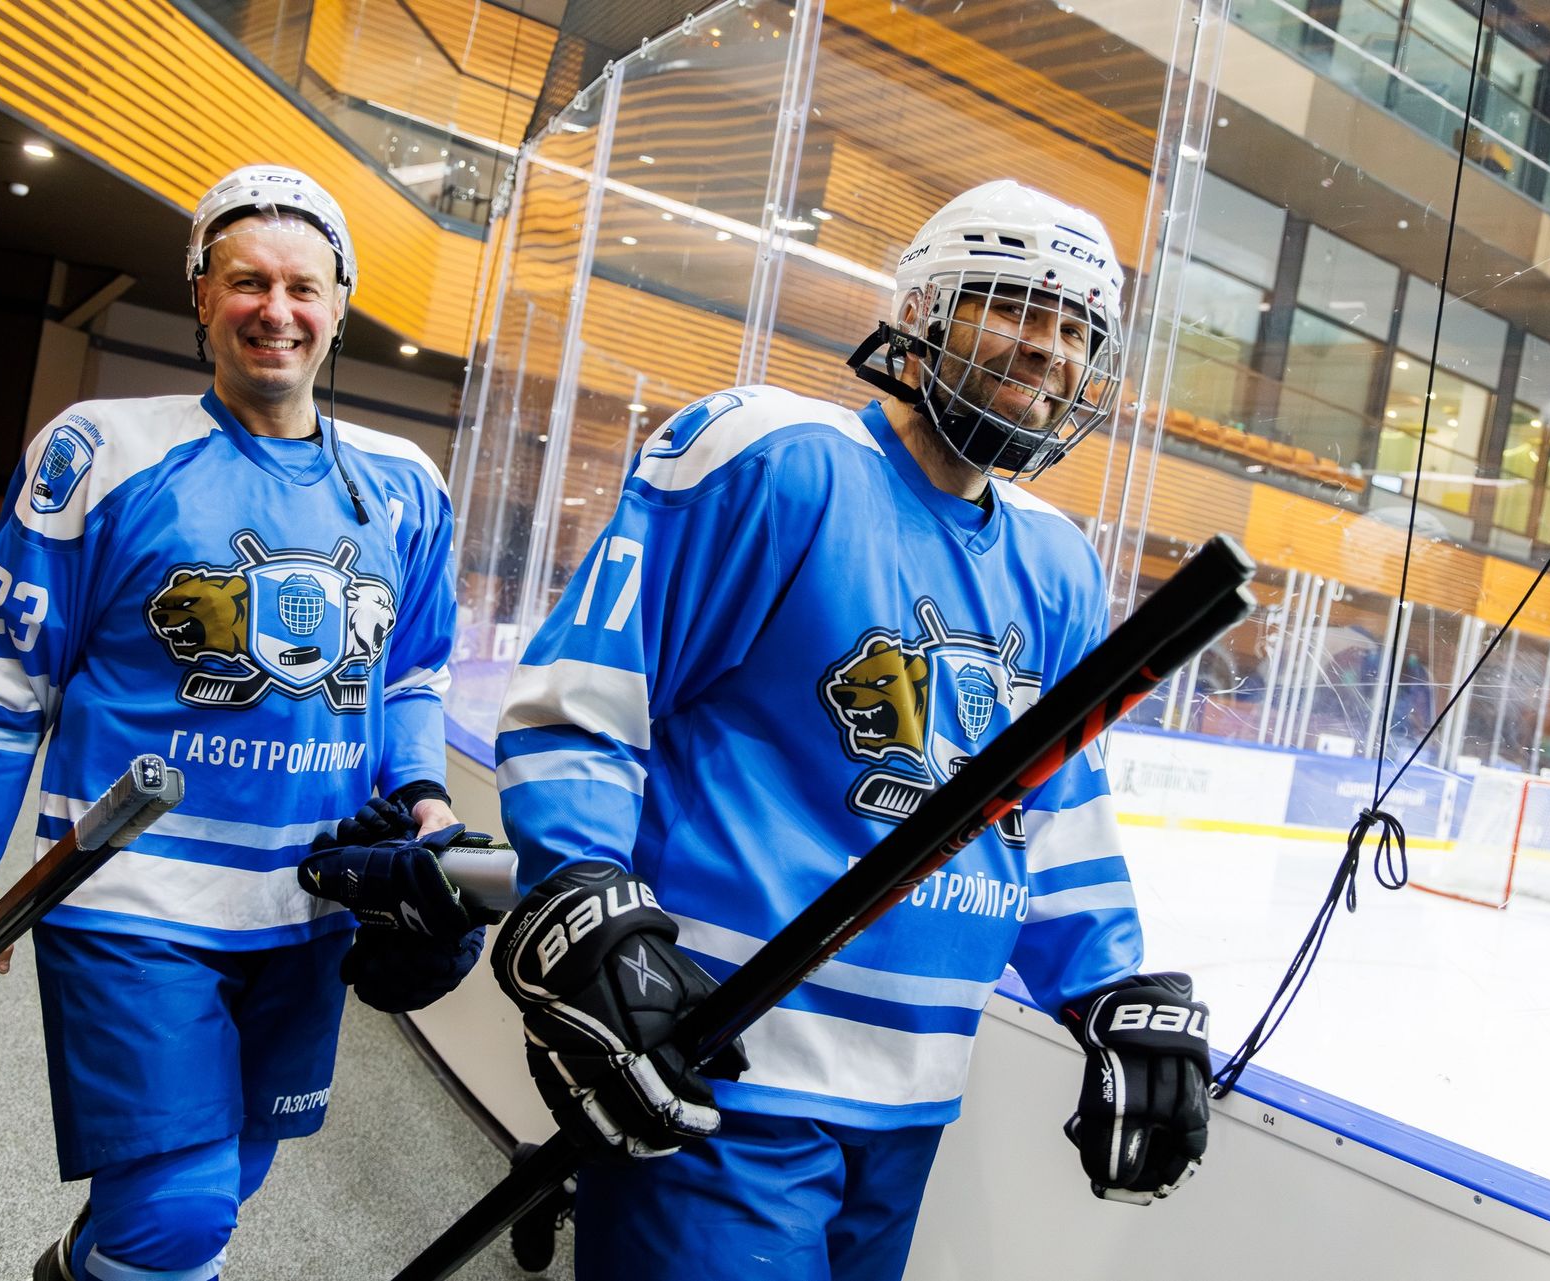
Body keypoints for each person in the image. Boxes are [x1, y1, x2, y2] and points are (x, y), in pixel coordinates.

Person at [489, 180, 1211, 1279]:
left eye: (1077, 330)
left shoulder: (1059, 561)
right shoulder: (775, 459)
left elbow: (1055, 808)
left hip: (913, 1095)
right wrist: (584, 894)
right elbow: (587, 699)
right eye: (1016, 305)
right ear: (920, 314)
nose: (1050, 348)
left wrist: (1107, 987)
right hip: (723, 1061)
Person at [0, 164, 478, 1281]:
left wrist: (423, 795)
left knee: (230, 1177)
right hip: (130, 892)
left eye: (303, 287)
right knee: (181, 1214)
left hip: (307, 900)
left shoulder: (407, 483)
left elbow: (412, 672)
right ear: (201, 295)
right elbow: (0, 681)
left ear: (340, 303)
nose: (277, 310)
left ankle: (78, 1268)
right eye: (248, 282)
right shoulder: (101, 450)